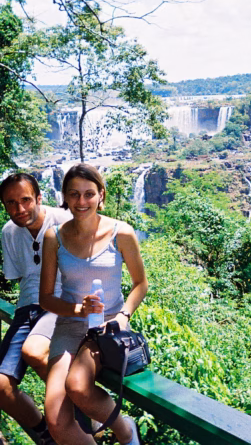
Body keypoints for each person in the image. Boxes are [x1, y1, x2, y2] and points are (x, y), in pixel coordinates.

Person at [39, 163, 147, 445]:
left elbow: (141, 284)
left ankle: (125, 431)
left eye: (89, 194)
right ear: (64, 196)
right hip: (69, 326)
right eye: (74, 194)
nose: (81, 202)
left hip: (108, 327)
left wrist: (123, 316)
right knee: (56, 421)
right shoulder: (54, 237)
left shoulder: (121, 233)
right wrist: (78, 310)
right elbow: (46, 297)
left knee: (77, 385)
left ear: (101, 195)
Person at [0, 174, 71, 445]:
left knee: (34, 353)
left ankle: (82, 421)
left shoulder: (64, 222)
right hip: (28, 309)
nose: (19, 209)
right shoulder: (8, 232)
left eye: (25, 200)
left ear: (39, 198)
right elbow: (21, 276)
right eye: (11, 203)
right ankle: (48, 435)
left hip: (63, 302)